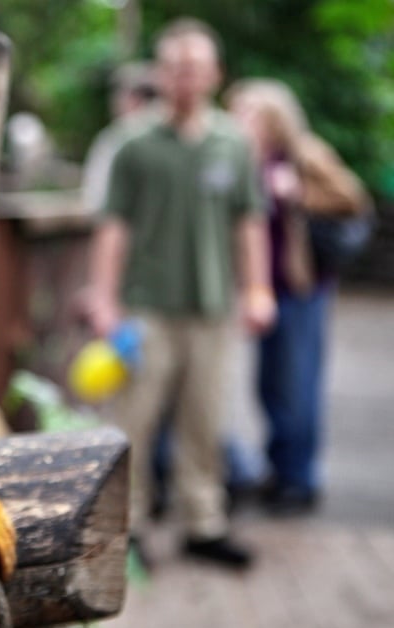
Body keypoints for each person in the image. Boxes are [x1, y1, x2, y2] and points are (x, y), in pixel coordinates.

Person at [81, 17, 275, 569]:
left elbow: (250, 223)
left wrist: (258, 287)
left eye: (195, 66)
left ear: (214, 74)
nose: (185, 77)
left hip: (213, 307)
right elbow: (112, 227)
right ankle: (128, 526)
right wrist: (104, 299)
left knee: (205, 420)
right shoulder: (133, 143)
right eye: (174, 66)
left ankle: (203, 524)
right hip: (145, 308)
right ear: (160, 74)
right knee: (133, 421)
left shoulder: (234, 143)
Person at [225, 79, 371, 514]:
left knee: (296, 385)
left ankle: (300, 479)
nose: (240, 119)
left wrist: (299, 194)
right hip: (261, 290)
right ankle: (278, 467)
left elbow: (352, 198)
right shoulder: (239, 159)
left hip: (301, 289)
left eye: (250, 112)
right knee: (269, 384)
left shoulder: (304, 153)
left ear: (274, 118)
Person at [81, 61, 160, 215]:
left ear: (135, 99)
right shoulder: (112, 137)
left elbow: (95, 198)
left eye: (120, 94)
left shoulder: (117, 138)